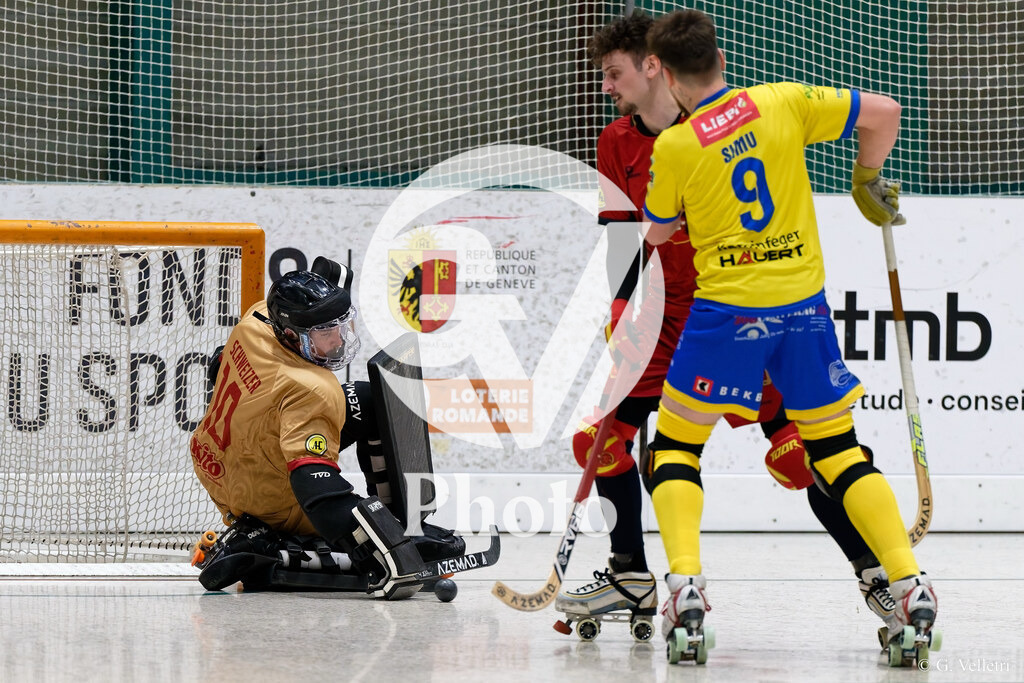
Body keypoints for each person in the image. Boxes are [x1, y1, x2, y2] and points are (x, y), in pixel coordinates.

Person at [557, 11, 901, 647]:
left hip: (730, 312)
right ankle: (632, 573)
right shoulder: (616, 141)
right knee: (603, 440)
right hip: (662, 320)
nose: (606, 86)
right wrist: (619, 310)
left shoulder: (711, 128)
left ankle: (875, 571)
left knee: (803, 455)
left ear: (652, 66)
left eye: (614, 73)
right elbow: (623, 237)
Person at [639, 8, 937, 660]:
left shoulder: (677, 146)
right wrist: (865, 180)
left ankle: (685, 586)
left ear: (660, 68)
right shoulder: (783, 102)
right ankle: (909, 584)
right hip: (803, 311)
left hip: (727, 316)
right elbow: (884, 112)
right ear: (720, 57)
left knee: (675, 448)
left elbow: (657, 233)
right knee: (839, 452)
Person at [188, 257, 463, 599]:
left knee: (368, 399)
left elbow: (218, 364)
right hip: (264, 495)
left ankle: (399, 517)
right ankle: (270, 535)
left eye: (340, 327)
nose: (338, 341)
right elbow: (316, 488)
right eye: (325, 333)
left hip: (216, 459)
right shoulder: (313, 389)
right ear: (291, 334)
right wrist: (388, 550)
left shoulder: (256, 319)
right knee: (324, 482)